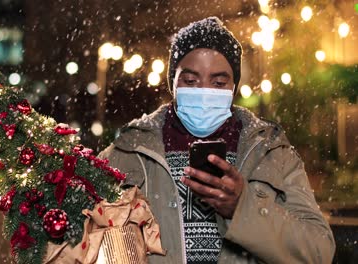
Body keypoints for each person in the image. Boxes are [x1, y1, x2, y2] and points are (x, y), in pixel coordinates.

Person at [98, 17, 335, 263]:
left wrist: (243, 207)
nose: (203, 91)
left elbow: (319, 251)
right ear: (173, 83)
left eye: (219, 82)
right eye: (190, 80)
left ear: (233, 87)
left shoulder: (271, 152)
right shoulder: (129, 151)